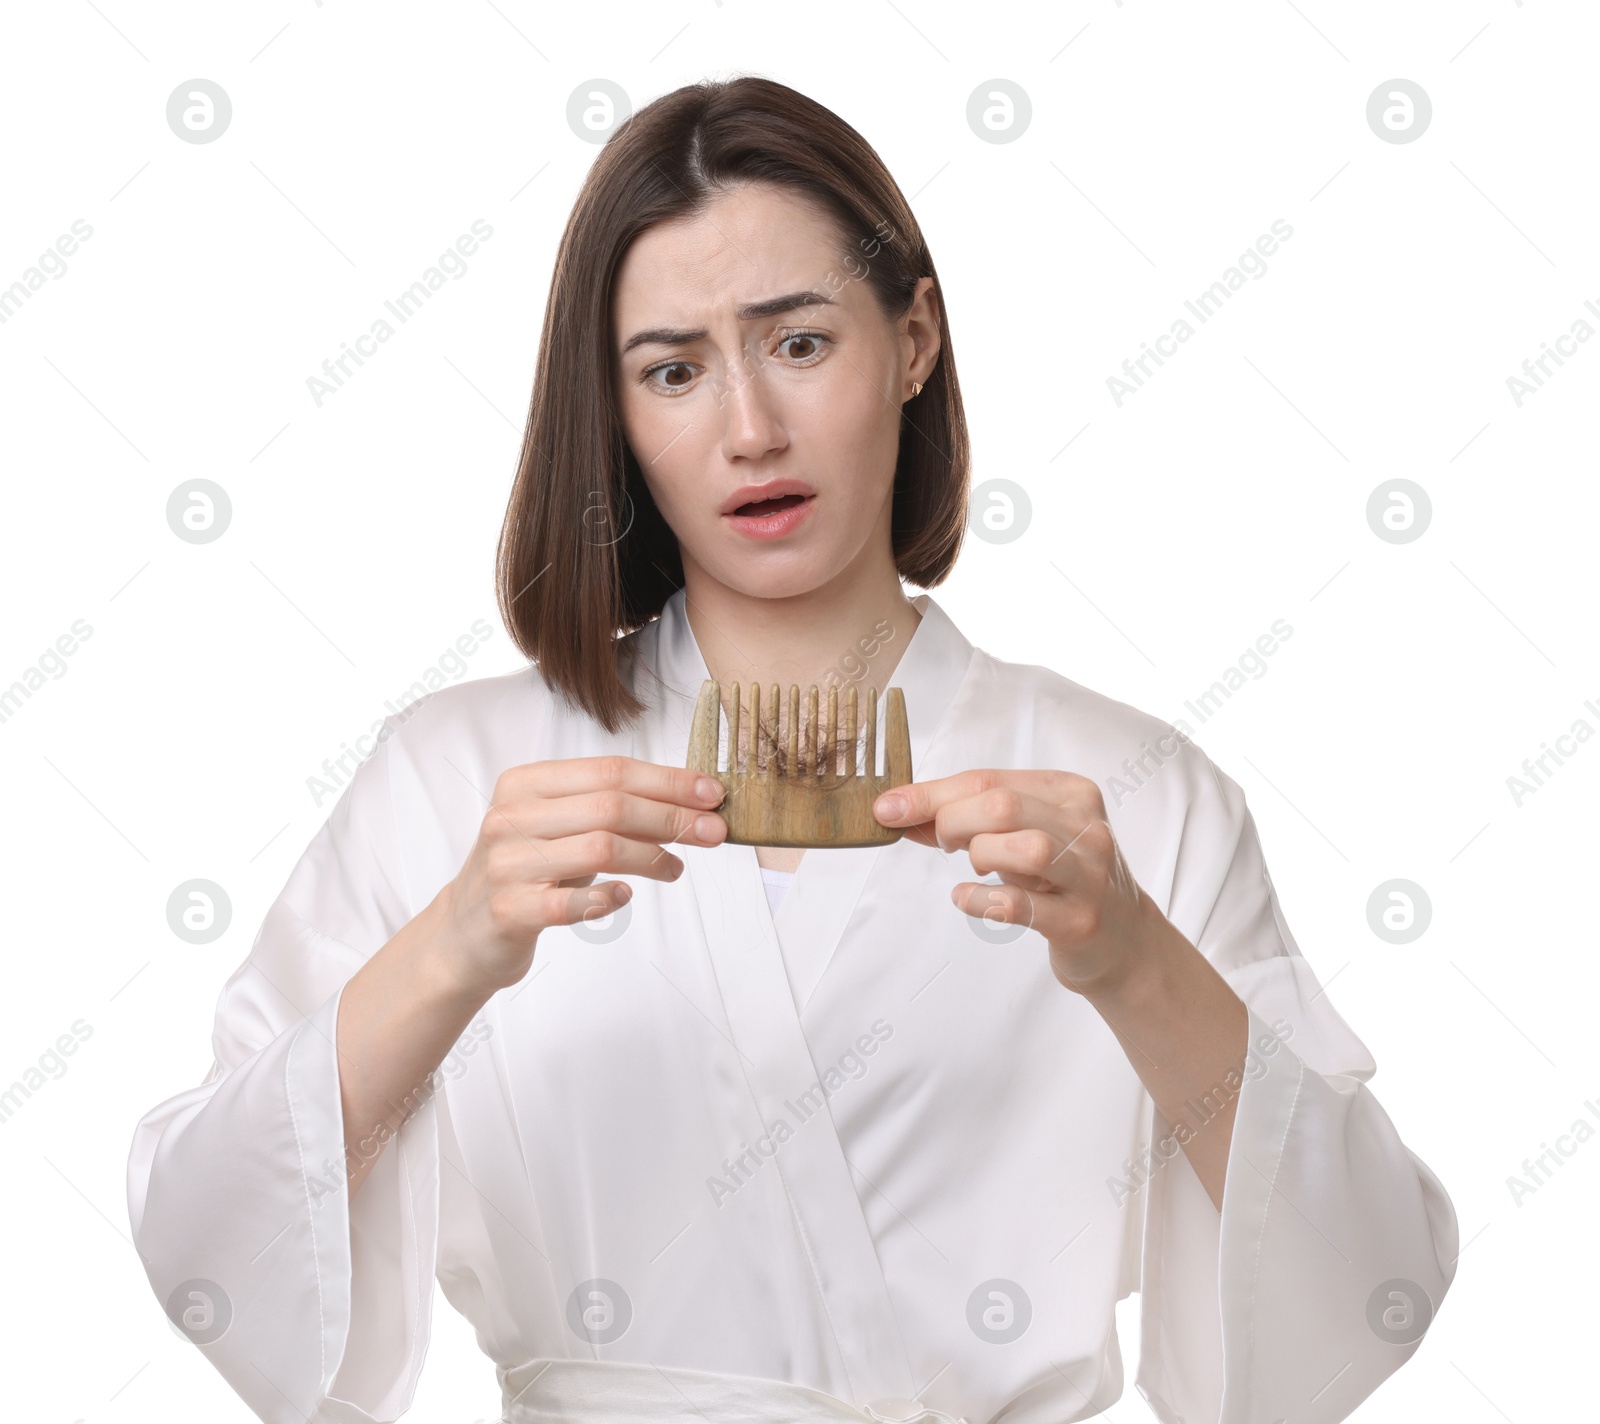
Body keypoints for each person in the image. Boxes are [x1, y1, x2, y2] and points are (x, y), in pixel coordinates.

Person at [127, 75, 1457, 1424]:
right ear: (620, 413)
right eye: (674, 370)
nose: (749, 428)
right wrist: (452, 946)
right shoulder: (453, 781)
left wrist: (1136, 963)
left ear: (915, 337)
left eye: (802, 343)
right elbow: (203, 1240)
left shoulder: (1132, 796)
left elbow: (1367, 1294)